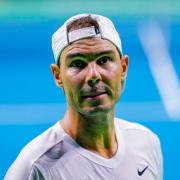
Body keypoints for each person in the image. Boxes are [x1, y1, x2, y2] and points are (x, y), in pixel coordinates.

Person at [5, 13, 163, 180]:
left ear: (123, 68)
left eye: (104, 60)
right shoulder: (34, 168)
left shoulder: (146, 143)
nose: (93, 75)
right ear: (57, 76)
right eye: (78, 63)